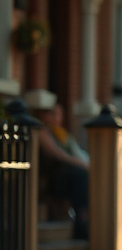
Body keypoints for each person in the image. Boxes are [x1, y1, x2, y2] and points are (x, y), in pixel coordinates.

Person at [25, 89, 90, 239]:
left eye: (59, 114)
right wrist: (79, 163)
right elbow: (55, 154)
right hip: (54, 180)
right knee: (80, 175)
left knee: (83, 175)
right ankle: (81, 221)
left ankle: (84, 219)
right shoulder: (42, 131)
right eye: (52, 113)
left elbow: (77, 152)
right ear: (43, 115)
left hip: (68, 176)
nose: (56, 118)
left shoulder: (62, 134)